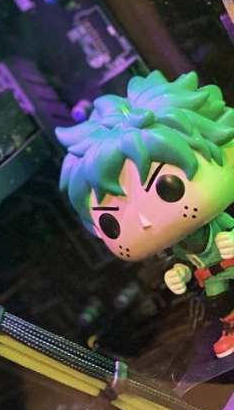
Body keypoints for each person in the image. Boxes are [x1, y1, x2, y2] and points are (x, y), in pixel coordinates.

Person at [56, 71, 234, 358]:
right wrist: (180, 273)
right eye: (111, 223)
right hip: (213, 278)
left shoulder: (218, 218)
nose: (145, 221)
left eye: (168, 187)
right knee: (219, 302)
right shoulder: (178, 245)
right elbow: (182, 261)